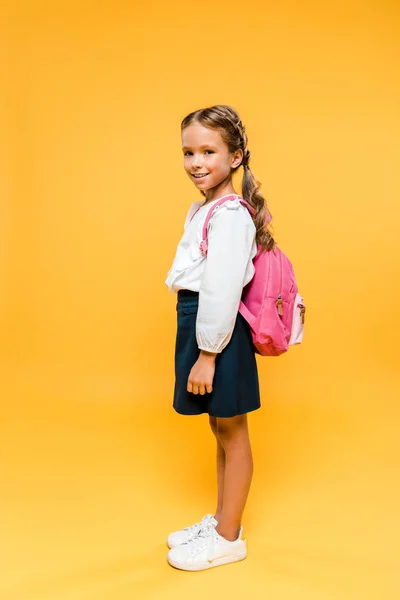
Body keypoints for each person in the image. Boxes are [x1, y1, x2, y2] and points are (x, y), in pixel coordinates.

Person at [165, 104, 275, 571]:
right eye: (189, 151)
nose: (196, 162)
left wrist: (208, 354)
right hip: (201, 324)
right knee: (218, 425)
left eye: (209, 151)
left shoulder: (230, 214)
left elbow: (223, 289)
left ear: (236, 157)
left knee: (232, 430)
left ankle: (229, 538)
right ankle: (221, 520)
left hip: (218, 331)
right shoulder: (205, 207)